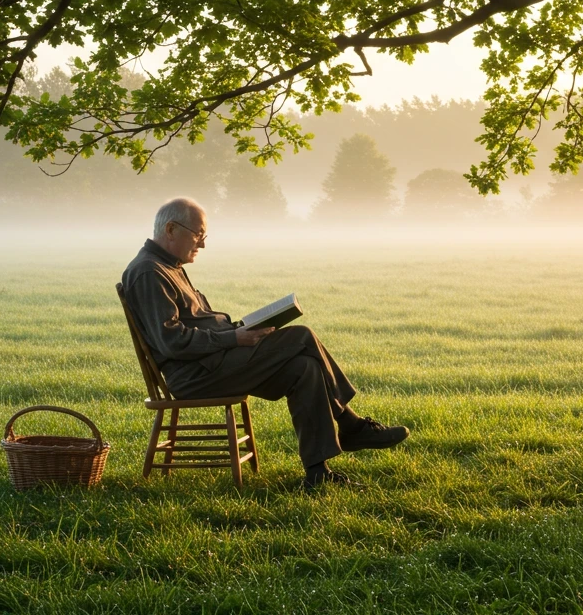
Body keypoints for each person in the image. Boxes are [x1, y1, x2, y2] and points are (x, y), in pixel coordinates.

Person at [120, 197, 409, 488]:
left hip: (213, 364)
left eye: (204, 236)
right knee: (302, 335)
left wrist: (241, 331)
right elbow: (172, 341)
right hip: (195, 376)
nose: (203, 244)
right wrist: (234, 338)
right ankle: (351, 425)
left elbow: (194, 324)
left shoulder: (168, 266)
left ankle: (318, 474)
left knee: (304, 367)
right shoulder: (149, 272)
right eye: (198, 234)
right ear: (171, 229)